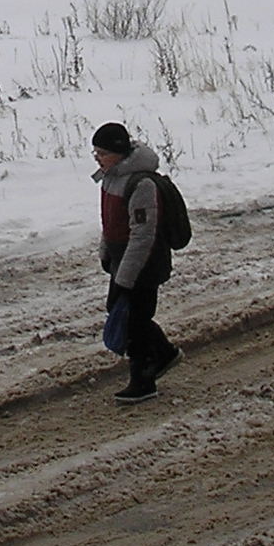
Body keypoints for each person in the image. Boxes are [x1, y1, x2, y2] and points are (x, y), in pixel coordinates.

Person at [92, 121, 181, 404]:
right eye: (95, 153)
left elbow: (143, 235)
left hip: (144, 262)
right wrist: (106, 251)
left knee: (134, 321)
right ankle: (165, 353)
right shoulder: (111, 177)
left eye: (102, 153)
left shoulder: (141, 184)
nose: (97, 158)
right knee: (123, 312)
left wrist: (127, 276)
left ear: (119, 153)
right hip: (124, 260)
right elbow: (111, 222)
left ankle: (143, 381)